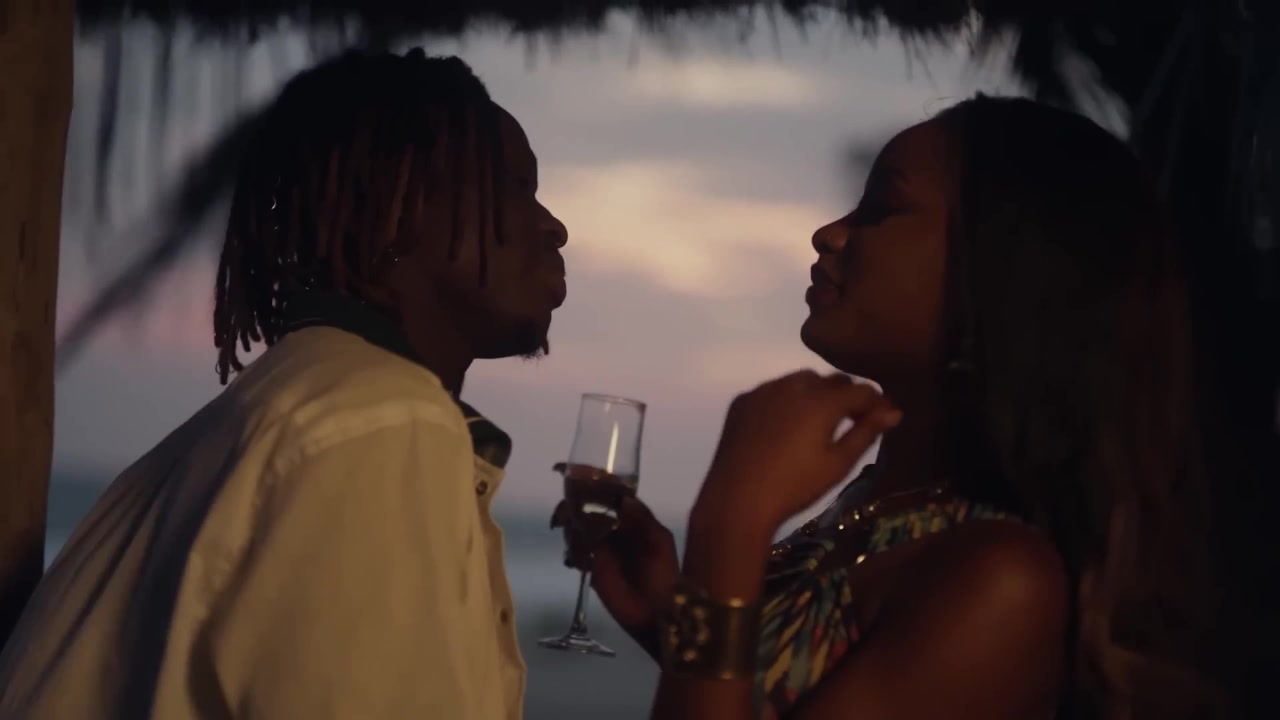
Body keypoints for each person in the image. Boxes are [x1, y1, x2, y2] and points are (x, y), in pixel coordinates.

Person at [585, 96, 1237, 719]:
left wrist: (729, 525)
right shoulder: (881, 507)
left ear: (1001, 271)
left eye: (881, 209)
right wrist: (671, 618)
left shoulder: (1000, 582)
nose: (828, 234)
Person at [0, 49, 567, 720]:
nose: (554, 227)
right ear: (395, 209)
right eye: (514, 187)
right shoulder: (376, 421)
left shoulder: (272, 419)